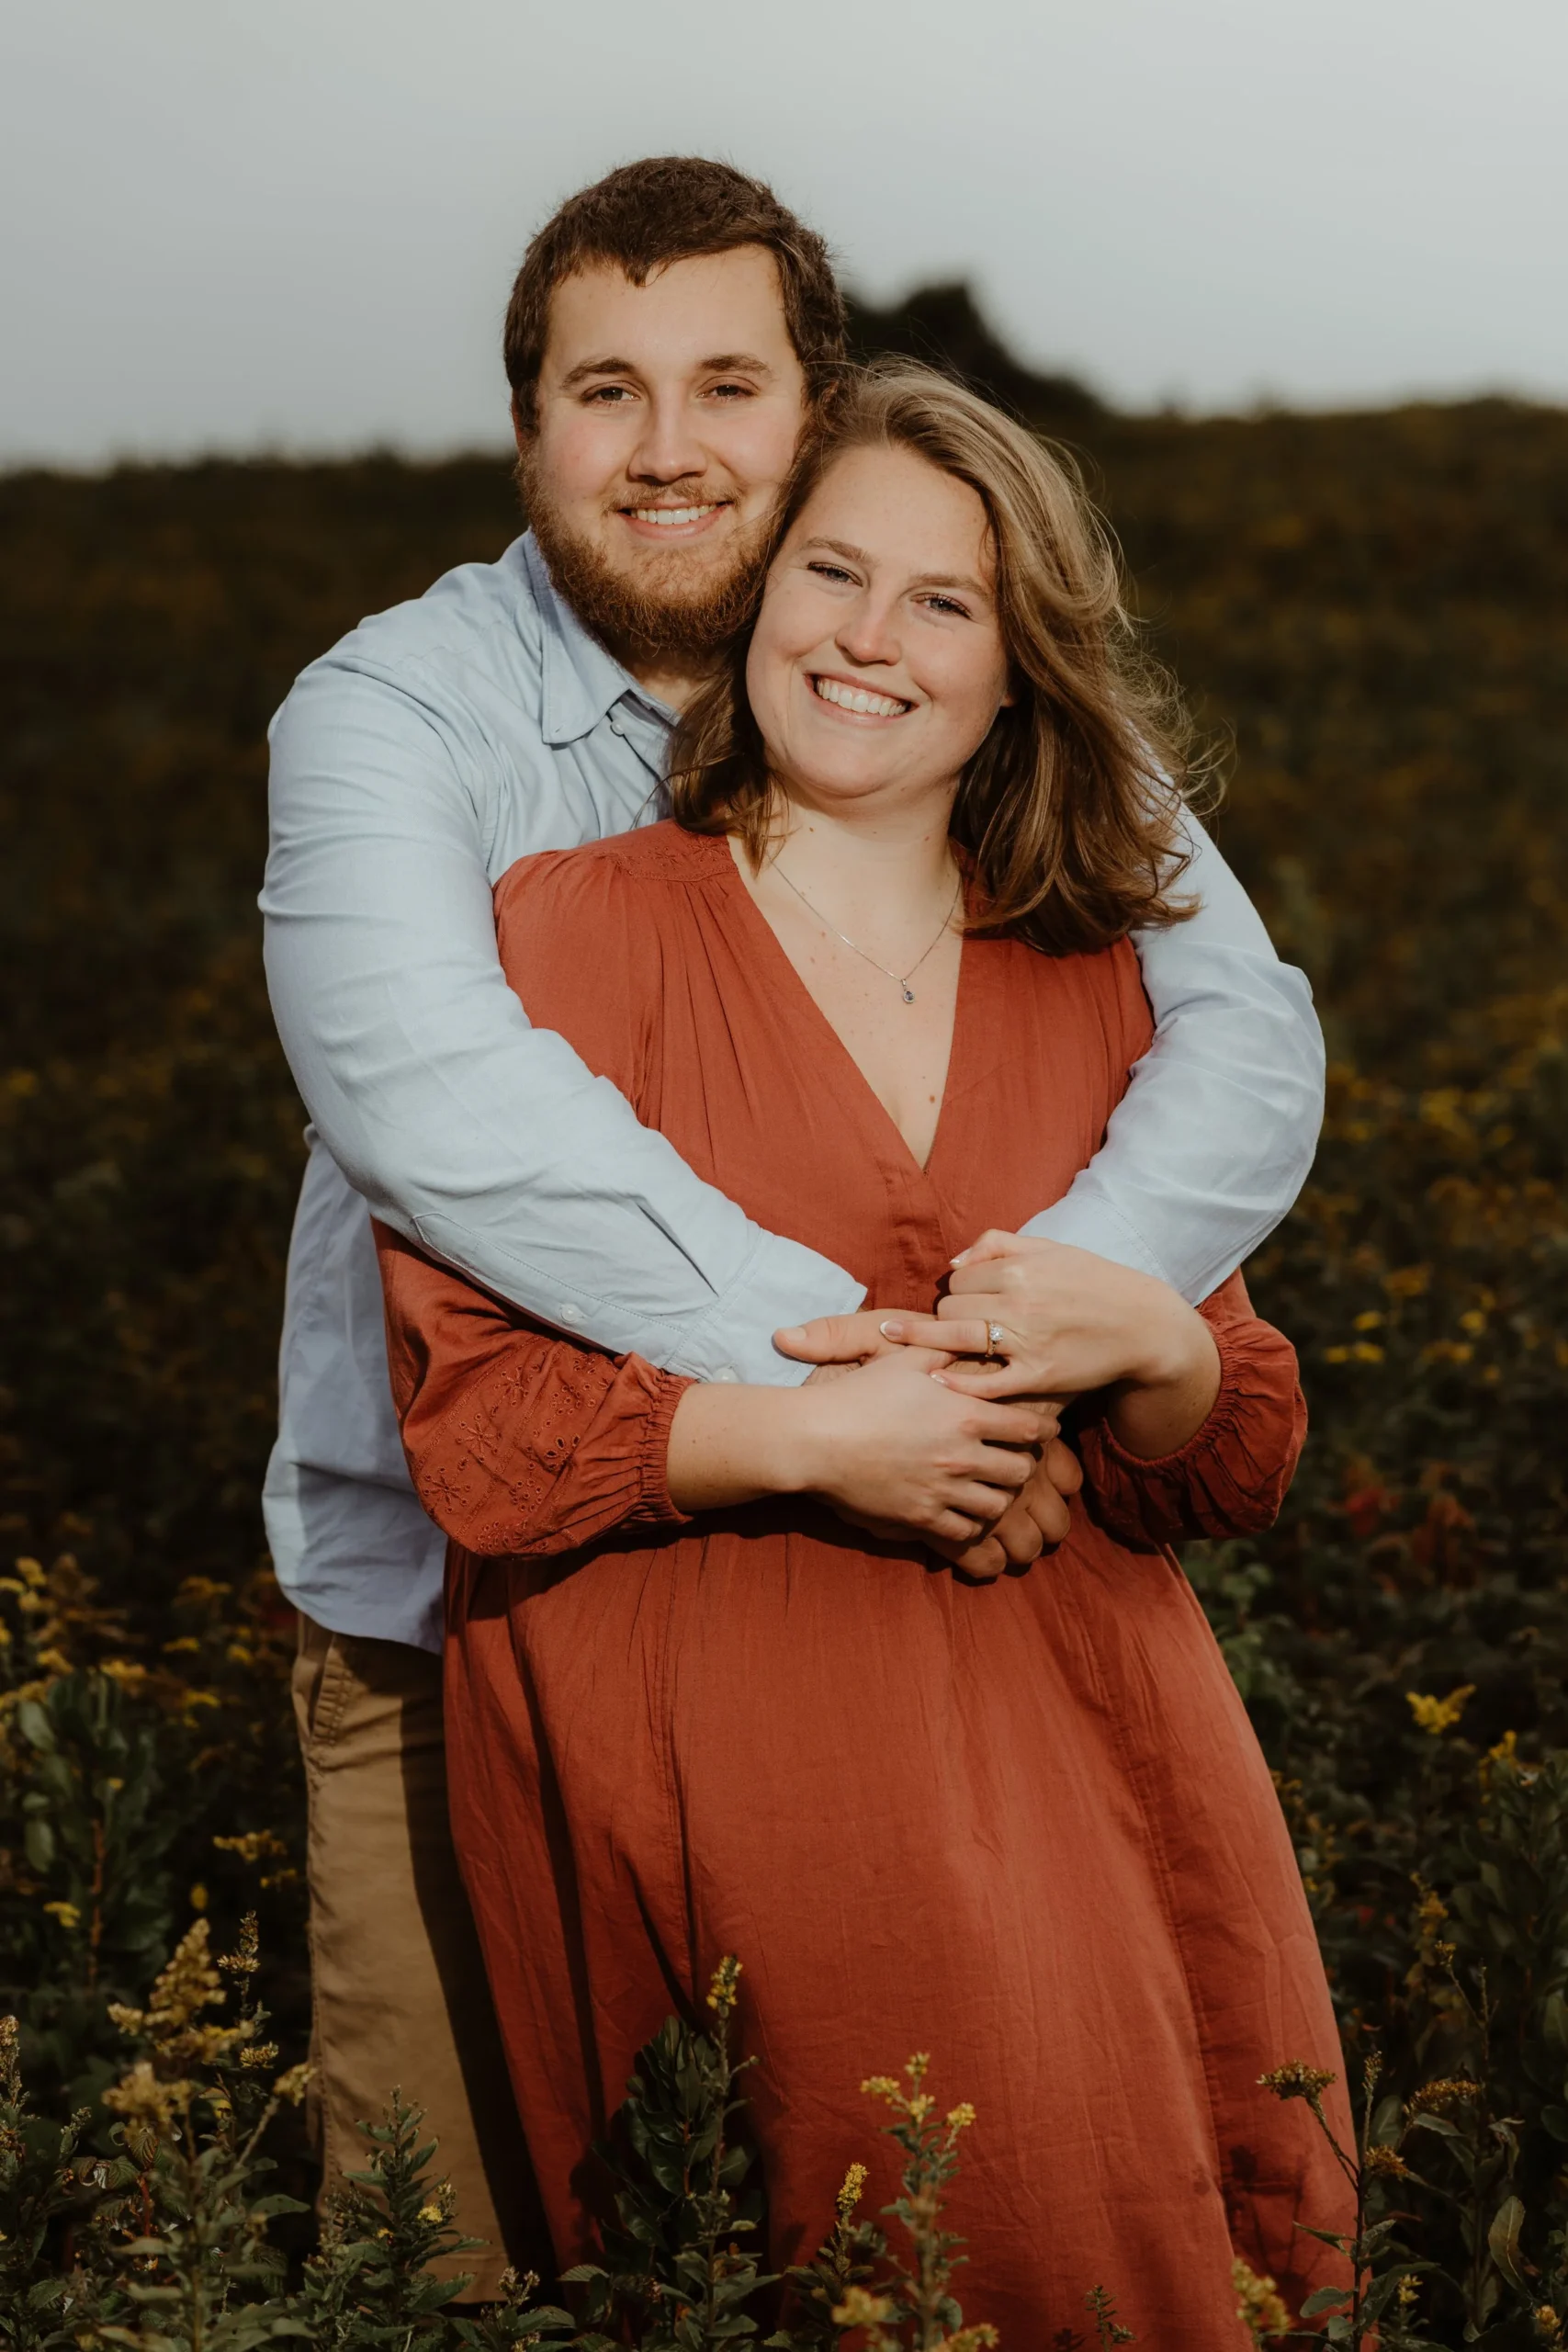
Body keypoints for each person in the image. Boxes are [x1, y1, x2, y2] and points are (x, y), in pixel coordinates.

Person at [260, 159, 1325, 2288]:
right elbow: (452, 1115)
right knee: (479, 2256)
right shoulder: (404, 721)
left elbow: (1237, 1026)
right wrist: (876, 1378)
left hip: (984, 1660)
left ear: (814, 409)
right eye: (605, 390)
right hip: (460, 1609)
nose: (667, 449)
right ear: (527, 427)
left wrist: (1044, 1333)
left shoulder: (971, 744)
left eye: (727, 386)